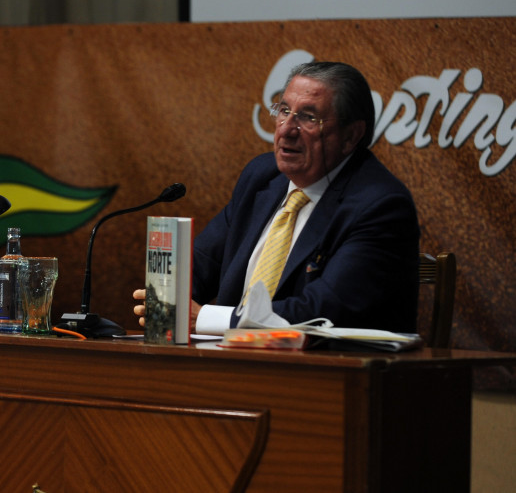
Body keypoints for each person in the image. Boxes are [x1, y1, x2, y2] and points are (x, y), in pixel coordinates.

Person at [134, 61, 420, 334]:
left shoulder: (380, 206)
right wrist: (167, 298)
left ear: (351, 136)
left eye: (308, 117)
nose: (286, 129)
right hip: (231, 362)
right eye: (284, 111)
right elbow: (199, 264)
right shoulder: (262, 177)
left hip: (328, 372)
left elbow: (322, 312)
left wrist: (206, 317)